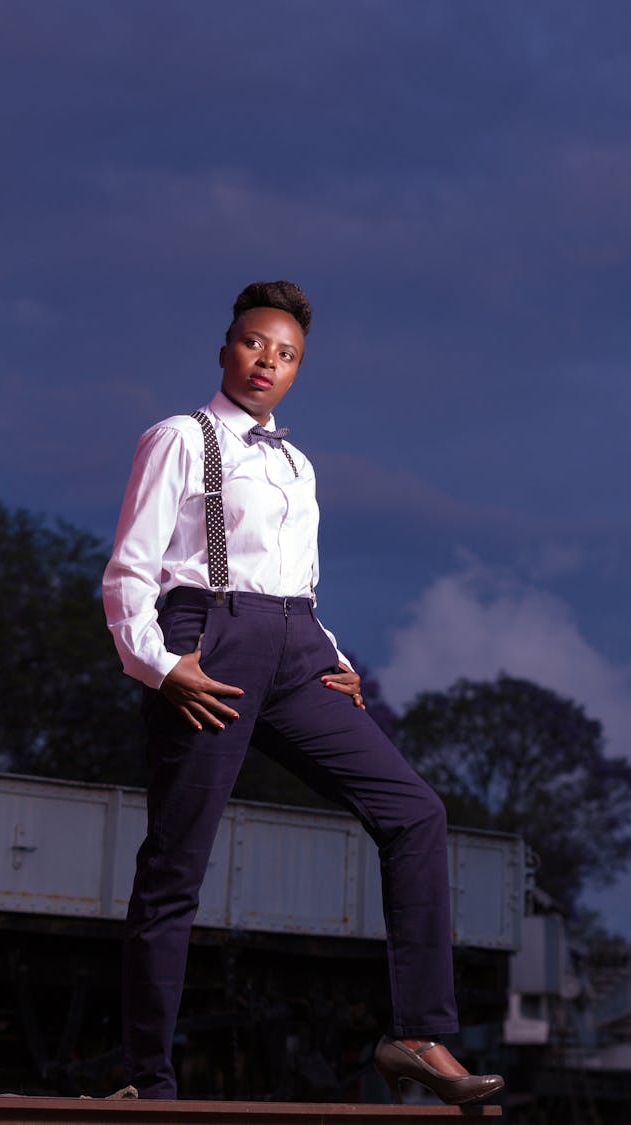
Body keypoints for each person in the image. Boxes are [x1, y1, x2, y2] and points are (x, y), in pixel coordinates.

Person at [102, 280, 504, 1105]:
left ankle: (418, 1035)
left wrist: (332, 653)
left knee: (415, 811)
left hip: (296, 652)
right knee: (177, 863)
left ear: (297, 371)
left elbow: (301, 586)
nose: (268, 362)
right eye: (255, 343)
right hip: (206, 638)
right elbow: (129, 574)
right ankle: (149, 1078)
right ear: (227, 348)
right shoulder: (181, 438)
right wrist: (160, 664)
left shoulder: (297, 464)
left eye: (286, 355)